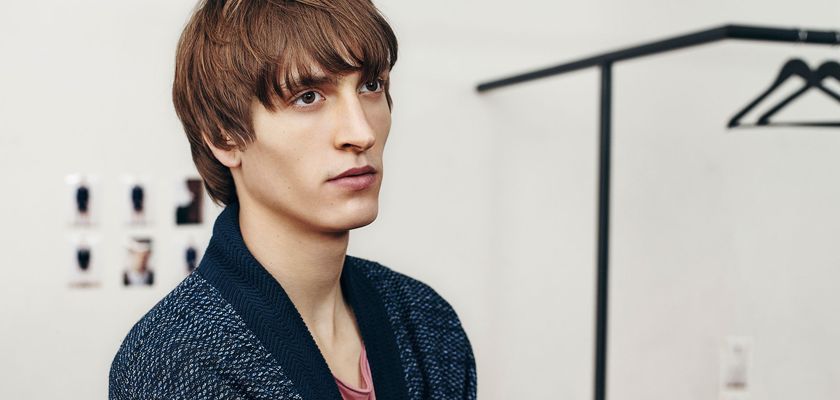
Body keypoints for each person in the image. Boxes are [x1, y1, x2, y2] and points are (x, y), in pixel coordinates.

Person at [109, 1, 477, 399]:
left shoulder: (426, 321)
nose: (361, 133)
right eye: (308, 97)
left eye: (371, 86)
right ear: (222, 137)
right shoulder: (173, 360)